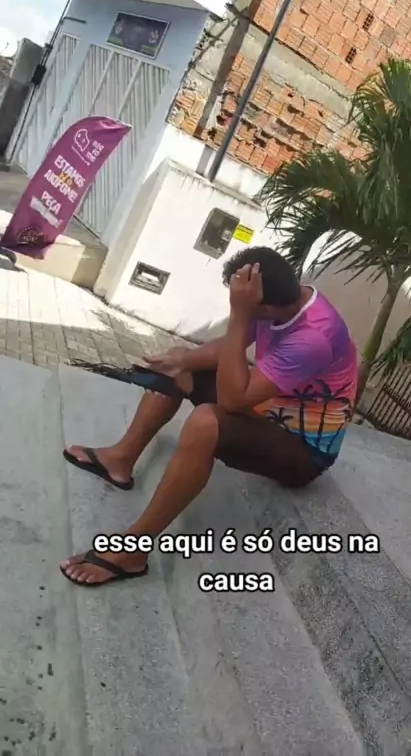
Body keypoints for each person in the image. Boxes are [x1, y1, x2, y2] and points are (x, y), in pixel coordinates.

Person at [60, 246, 358, 586]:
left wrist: (240, 313)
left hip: (302, 449)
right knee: (182, 366)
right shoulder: (282, 302)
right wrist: (183, 359)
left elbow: (232, 401)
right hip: (268, 409)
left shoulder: (313, 337)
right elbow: (229, 345)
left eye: (244, 303)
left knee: (206, 423)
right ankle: (120, 459)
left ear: (263, 307)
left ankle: (133, 551)